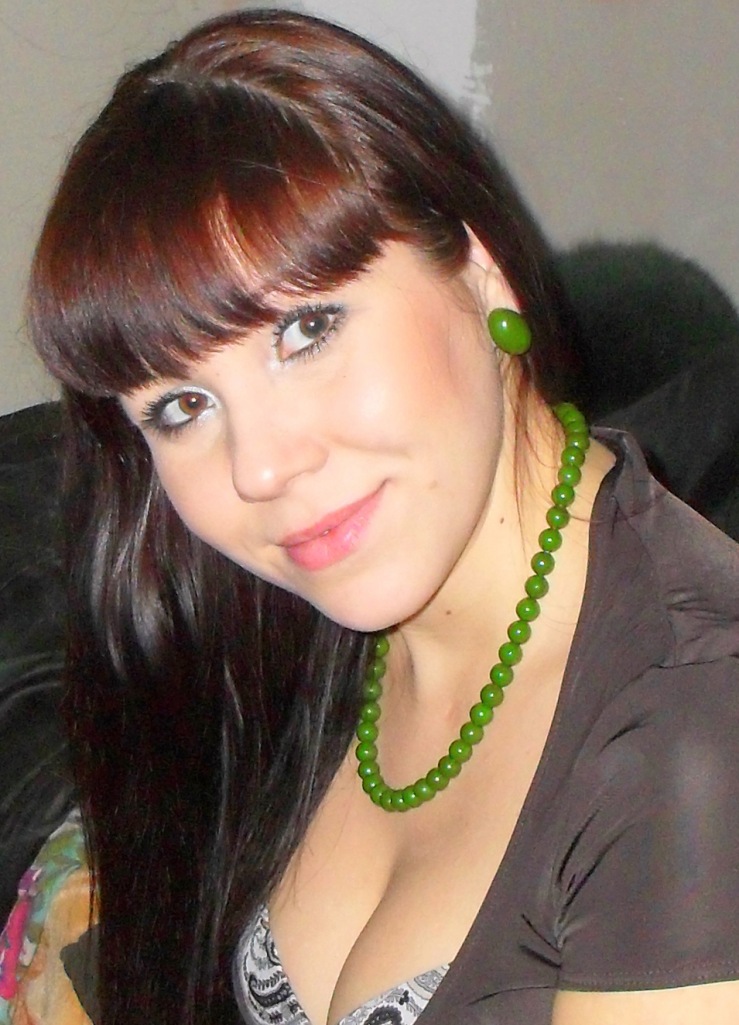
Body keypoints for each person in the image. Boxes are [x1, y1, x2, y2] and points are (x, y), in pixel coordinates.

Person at [2, 8, 739, 1025]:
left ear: (478, 268)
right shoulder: (288, 630)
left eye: (307, 329)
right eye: (181, 406)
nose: (262, 466)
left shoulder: (697, 735)